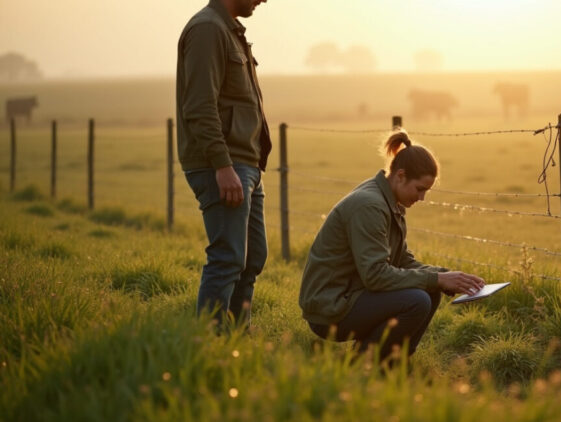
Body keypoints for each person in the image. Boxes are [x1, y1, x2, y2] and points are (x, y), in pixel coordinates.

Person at [299, 131, 486, 362]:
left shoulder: (388, 200)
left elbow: (402, 260)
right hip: (330, 307)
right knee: (417, 300)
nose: (422, 198)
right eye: (420, 189)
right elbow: (375, 275)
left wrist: (447, 277)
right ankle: (363, 363)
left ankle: (394, 361)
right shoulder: (370, 206)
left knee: (430, 291)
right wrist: (436, 279)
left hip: (351, 294)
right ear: (400, 176)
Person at [176, 0, 272, 327]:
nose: (264, 0)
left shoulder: (229, 30)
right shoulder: (208, 29)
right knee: (228, 257)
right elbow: (199, 106)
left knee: (252, 256)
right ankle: (209, 340)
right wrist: (222, 165)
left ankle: (236, 339)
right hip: (224, 164)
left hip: (244, 163)